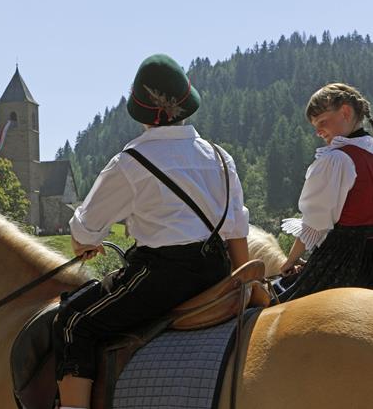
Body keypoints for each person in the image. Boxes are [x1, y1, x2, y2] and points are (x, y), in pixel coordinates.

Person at [52, 54, 250, 409]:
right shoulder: (220, 157)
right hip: (217, 272)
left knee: (73, 323)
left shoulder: (131, 162)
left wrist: (85, 244)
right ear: (187, 104)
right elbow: (236, 231)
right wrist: (244, 284)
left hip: (161, 278)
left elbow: (84, 231)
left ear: (140, 112)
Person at [279, 82, 373, 302]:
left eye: (322, 122)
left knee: (278, 306)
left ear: (346, 112)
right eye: (315, 126)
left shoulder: (336, 160)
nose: (318, 132)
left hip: (347, 260)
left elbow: (315, 223)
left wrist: (290, 261)